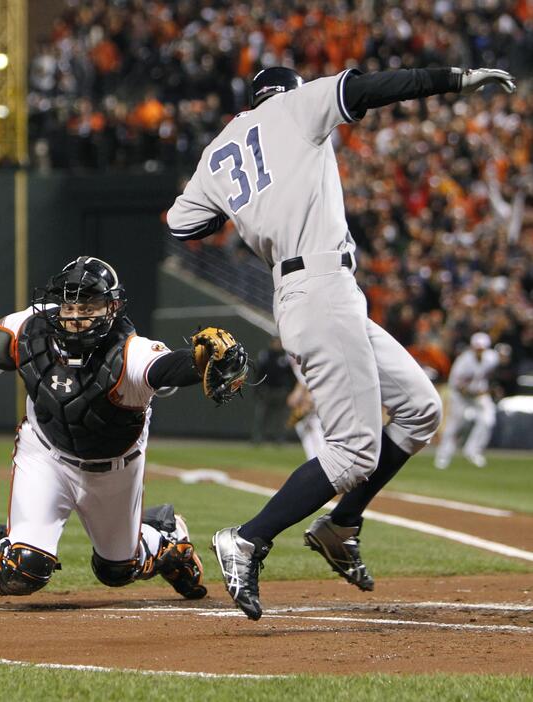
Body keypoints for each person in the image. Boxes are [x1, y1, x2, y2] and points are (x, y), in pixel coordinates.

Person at [167, 65, 516, 620]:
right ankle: (248, 538)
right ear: (289, 91)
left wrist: (247, 204)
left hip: (312, 289)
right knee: (354, 450)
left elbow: (182, 225)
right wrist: (454, 79)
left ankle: (340, 524)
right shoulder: (298, 107)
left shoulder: (218, 150)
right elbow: (372, 88)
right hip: (320, 287)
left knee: (421, 410)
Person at [0, 256, 247, 608]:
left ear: (111, 307)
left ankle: (168, 539)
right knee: (25, 569)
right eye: (70, 303)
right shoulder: (29, 329)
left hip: (115, 466)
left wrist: (200, 361)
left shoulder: (129, 351)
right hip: (45, 456)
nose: (76, 313)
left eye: (89, 304)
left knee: (117, 570)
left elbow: (165, 367)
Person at [434, 332, 500, 470]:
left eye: (482, 349)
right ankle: (443, 455)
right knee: (455, 426)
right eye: (477, 348)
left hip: (479, 393)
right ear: (472, 347)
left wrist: (490, 388)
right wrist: (480, 392)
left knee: (488, 419)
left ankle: (473, 450)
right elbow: (458, 387)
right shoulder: (463, 362)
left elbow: (492, 374)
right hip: (460, 396)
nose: (480, 351)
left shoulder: (492, 358)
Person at [251, 336, 295, 445]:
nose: (277, 345)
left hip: (281, 391)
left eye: (279, 343)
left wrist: (290, 390)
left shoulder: (285, 357)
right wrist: (257, 389)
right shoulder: (265, 355)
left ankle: (280, 440)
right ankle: (258, 439)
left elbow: (292, 375)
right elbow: (258, 373)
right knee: (262, 416)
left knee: (281, 418)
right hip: (267, 391)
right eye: (275, 342)